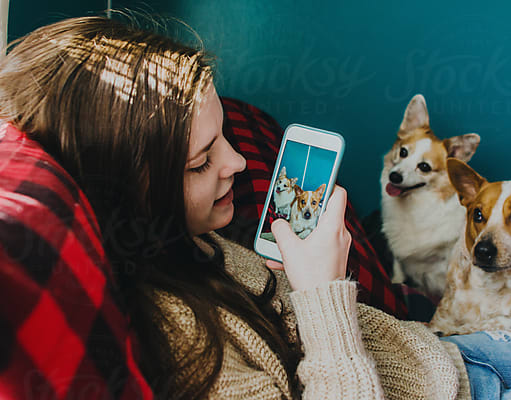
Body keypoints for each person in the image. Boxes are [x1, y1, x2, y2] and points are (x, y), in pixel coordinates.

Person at [0, 15, 465, 399]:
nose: (238, 163)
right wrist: (323, 295)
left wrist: (287, 278)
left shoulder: (199, 241)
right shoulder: (185, 347)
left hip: (447, 358)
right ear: (129, 195)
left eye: (224, 136)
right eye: (202, 161)